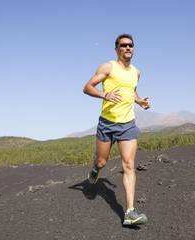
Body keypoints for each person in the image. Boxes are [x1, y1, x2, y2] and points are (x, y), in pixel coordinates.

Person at [83, 33, 151, 226]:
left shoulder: (136, 72)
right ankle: (95, 169)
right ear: (116, 49)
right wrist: (105, 95)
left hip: (128, 124)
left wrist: (139, 101)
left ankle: (130, 212)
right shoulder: (108, 67)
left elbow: (132, 91)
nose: (128, 48)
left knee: (129, 165)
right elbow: (87, 88)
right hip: (107, 123)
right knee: (103, 162)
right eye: (123, 45)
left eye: (131, 45)